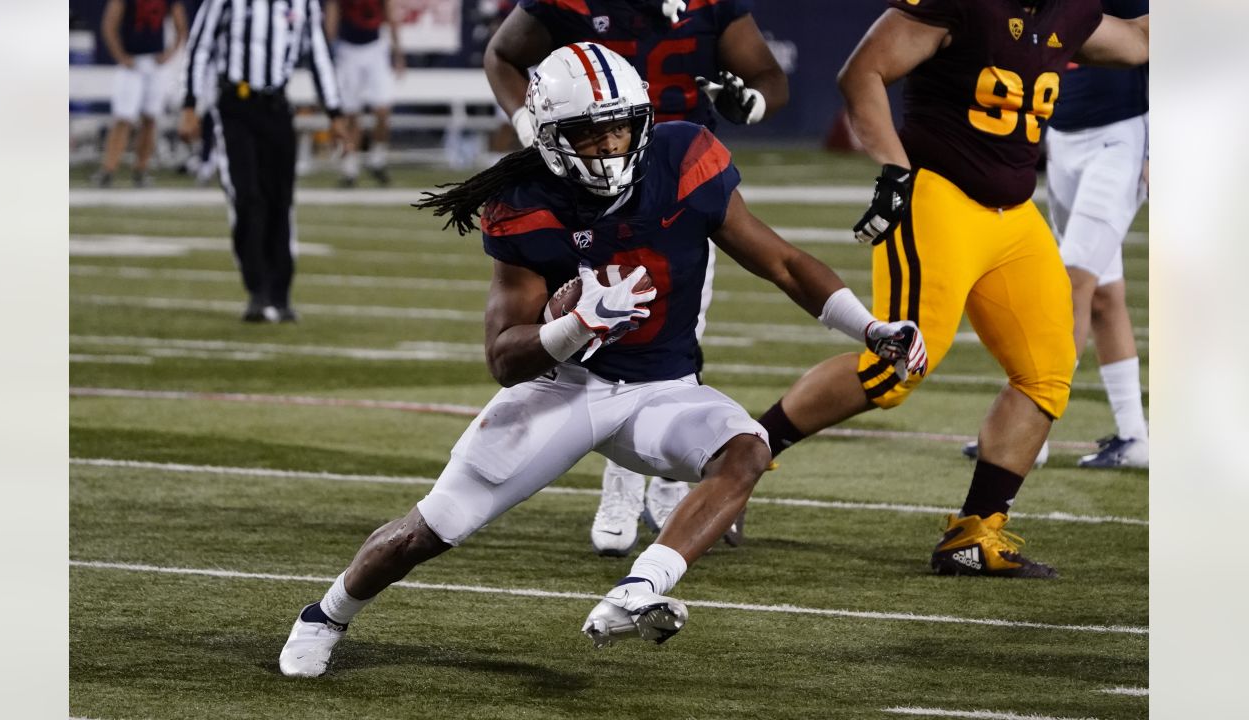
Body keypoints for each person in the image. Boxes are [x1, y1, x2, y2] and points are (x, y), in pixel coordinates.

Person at [278, 43, 924, 676]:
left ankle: (641, 586)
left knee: (748, 449)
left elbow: (781, 260)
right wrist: (572, 328)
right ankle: (326, 614)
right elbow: (504, 358)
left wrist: (870, 327)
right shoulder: (525, 200)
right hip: (566, 387)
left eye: (621, 129)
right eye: (591, 134)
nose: (611, 146)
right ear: (552, 137)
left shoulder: (682, 157)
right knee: (432, 528)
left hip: (664, 389)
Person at [751, 0, 1149, 578]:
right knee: (894, 369)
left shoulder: (1072, 9)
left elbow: (1138, 40)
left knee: (1047, 369)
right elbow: (861, 72)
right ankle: (743, 451)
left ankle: (974, 534)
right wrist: (893, 171)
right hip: (939, 196)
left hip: (1014, 213)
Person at [484, 0, 789, 555]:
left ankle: (669, 484)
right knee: (598, 337)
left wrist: (754, 102)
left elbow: (768, 75)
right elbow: (503, 55)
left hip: (679, 183)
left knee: (676, 342)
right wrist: (528, 122)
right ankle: (620, 488)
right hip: (583, 195)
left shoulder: (709, 7)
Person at [179, 0, 346, 323]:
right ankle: (257, 288)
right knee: (246, 195)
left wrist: (334, 110)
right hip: (235, 105)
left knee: (280, 200)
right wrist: (189, 104)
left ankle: (280, 294)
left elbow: (318, 52)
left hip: (277, 107)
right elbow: (199, 45)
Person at [1045, 0, 1149, 469]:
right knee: (1104, 294)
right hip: (1061, 136)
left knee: (1071, 282)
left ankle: (1028, 427)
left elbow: (1158, 41)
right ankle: (1134, 438)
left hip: (1119, 136)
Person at [91, 0, 189, 188]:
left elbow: (181, 27)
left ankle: (141, 169)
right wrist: (121, 56)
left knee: (150, 118)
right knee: (123, 117)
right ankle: (108, 169)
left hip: (155, 63)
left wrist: (169, 54)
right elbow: (109, 25)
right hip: (132, 63)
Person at [325, 0, 406, 187]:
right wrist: (328, 52)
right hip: (347, 49)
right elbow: (332, 16)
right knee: (351, 113)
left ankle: (377, 159)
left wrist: (398, 52)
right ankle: (350, 168)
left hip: (375, 47)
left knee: (383, 109)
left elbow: (390, 14)